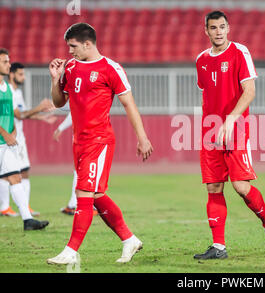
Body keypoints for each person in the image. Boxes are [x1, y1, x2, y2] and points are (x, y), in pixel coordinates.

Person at [46, 23, 153, 265]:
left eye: (73, 46)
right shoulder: (70, 67)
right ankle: (129, 239)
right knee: (96, 195)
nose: (69, 51)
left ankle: (70, 250)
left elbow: (129, 104)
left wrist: (142, 137)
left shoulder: (111, 68)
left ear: (87, 43)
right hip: (78, 141)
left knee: (83, 193)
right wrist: (55, 80)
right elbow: (59, 102)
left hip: (99, 140)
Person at [193, 11, 265, 260]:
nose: (218, 31)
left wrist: (230, 119)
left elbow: (249, 91)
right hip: (211, 130)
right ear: (206, 31)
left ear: (228, 28)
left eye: (222, 27)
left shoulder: (239, 52)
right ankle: (218, 246)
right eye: (213, 28)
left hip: (237, 128)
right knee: (213, 186)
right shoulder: (201, 60)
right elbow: (207, 93)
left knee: (241, 187)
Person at [0, 48, 49, 230]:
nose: (8, 64)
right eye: (5, 62)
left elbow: (10, 115)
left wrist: (11, 131)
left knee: (15, 177)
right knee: (12, 178)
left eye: (8, 61)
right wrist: (5, 134)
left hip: (5, 143)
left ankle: (27, 220)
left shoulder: (7, 90)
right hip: (2, 140)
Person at [53, 111, 98, 216]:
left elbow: (75, 111)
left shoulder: (87, 97)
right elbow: (74, 111)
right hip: (82, 135)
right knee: (80, 170)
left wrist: (61, 128)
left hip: (89, 135)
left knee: (88, 169)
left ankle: (89, 205)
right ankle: (75, 204)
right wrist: (61, 128)